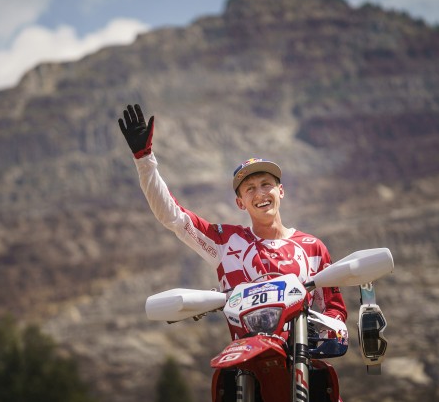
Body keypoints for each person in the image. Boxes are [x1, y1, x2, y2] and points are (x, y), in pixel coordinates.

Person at [118, 104, 347, 339]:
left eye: (266, 184)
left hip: (302, 361)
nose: (260, 194)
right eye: (250, 189)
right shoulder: (226, 241)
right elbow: (172, 216)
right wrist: (144, 161)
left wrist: (323, 332)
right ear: (240, 203)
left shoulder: (312, 247)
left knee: (326, 376)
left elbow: (334, 309)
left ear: (281, 191)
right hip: (247, 361)